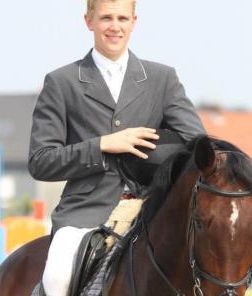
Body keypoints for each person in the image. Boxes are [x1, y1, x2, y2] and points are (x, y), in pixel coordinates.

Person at [28, 0, 205, 295]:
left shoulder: (163, 79)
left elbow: (198, 145)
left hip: (153, 208)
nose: (115, 26)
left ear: (134, 21)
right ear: (89, 21)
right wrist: (102, 146)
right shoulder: (61, 82)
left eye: (122, 18)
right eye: (106, 18)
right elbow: (40, 161)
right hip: (85, 212)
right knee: (58, 276)